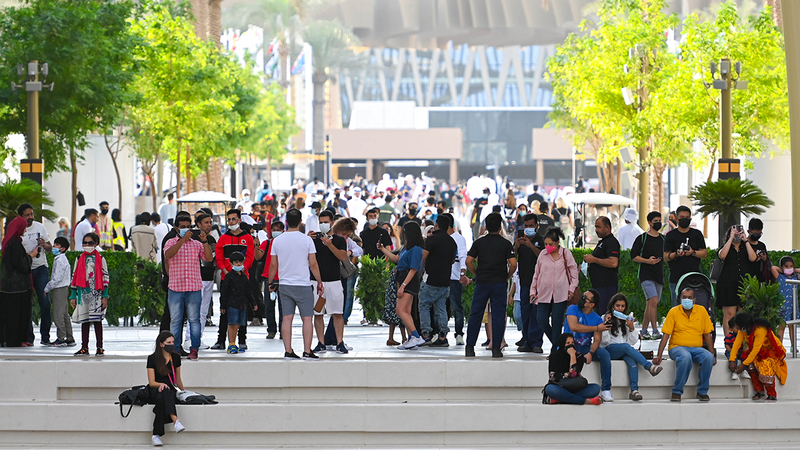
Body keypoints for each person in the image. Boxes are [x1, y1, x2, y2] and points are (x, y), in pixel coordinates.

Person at [268, 208, 325, 360]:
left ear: (286, 222)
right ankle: (307, 350)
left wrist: (271, 281)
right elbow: (313, 263)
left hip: (285, 285)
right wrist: (319, 281)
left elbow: (273, 264)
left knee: (287, 318)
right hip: (303, 284)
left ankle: (288, 350)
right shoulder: (307, 240)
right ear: (300, 222)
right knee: (307, 319)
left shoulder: (277, 240)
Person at [465, 213, 517, 358]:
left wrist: (477, 273)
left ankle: (470, 347)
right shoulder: (506, 243)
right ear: (500, 227)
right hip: (499, 282)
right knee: (498, 315)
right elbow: (513, 264)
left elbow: (469, 261)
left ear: (486, 227)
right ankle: (496, 348)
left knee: (476, 314)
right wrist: (507, 276)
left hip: (482, 282)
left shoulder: (479, 243)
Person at [653, 287, 716, 402]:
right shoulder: (674, 311)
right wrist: (659, 355)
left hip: (697, 348)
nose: (687, 300)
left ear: (694, 299)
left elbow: (707, 335)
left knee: (708, 357)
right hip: (677, 347)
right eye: (684, 297)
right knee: (685, 357)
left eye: (689, 297)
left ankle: (702, 392)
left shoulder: (702, 311)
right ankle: (677, 391)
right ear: (680, 299)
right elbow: (666, 336)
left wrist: (712, 353)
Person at [164, 216, 213, 360]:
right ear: (176, 228)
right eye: (183, 226)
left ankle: (194, 349)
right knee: (176, 320)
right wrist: (183, 240)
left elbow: (209, 259)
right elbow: (168, 255)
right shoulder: (170, 242)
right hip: (176, 286)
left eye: (188, 226)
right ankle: (175, 349)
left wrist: (204, 242)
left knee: (194, 319)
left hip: (193, 287)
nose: (186, 229)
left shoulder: (197, 244)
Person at [600, 294, 663, 401]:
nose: (620, 309)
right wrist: (606, 324)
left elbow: (632, 342)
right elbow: (604, 341)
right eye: (617, 306)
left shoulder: (627, 320)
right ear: (612, 306)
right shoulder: (604, 318)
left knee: (632, 361)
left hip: (624, 350)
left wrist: (632, 328)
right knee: (625, 347)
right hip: (609, 349)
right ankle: (649, 366)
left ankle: (634, 390)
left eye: (622, 306)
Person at [378, 222, 426, 350]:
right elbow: (396, 259)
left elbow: (414, 269)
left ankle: (416, 336)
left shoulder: (416, 249)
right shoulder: (407, 247)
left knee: (400, 310)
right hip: (403, 277)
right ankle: (411, 339)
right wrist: (383, 249)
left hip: (408, 279)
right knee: (406, 311)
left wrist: (403, 286)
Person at [213, 209, 255, 350]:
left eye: (234, 219)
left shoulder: (248, 238)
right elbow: (219, 257)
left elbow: (250, 257)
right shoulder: (223, 239)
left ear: (239, 220)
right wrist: (226, 272)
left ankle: (242, 340)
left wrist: (241, 272)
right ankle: (221, 341)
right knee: (225, 310)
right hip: (227, 279)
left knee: (243, 311)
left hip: (243, 280)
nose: (231, 222)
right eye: (229, 219)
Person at [309, 210, 349, 355]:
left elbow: (343, 257)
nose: (323, 225)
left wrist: (330, 245)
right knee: (318, 313)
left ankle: (340, 342)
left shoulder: (338, 240)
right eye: (321, 222)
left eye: (326, 222)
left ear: (332, 223)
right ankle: (321, 342)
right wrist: (307, 239)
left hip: (334, 282)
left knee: (337, 313)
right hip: (317, 284)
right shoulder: (314, 239)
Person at [562, 289, 613, 402]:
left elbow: (597, 340)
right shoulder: (572, 309)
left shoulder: (597, 319)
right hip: (569, 346)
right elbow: (574, 326)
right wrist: (596, 328)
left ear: (592, 305)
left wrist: (590, 353)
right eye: (583, 296)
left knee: (604, 354)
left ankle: (606, 389)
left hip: (585, 347)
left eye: (585, 298)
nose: (582, 298)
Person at [531, 227, 578, 347]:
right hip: (543, 294)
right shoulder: (543, 254)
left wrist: (571, 289)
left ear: (557, 243)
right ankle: (559, 345)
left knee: (557, 323)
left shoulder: (565, 253)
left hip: (561, 294)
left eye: (550, 244)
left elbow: (574, 273)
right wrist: (533, 291)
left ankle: (555, 351)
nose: (547, 246)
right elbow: (536, 274)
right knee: (541, 319)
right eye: (545, 244)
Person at [728, 313, 787, 401]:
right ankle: (759, 391)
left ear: (744, 326)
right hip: (756, 353)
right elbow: (736, 345)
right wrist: (732, 360)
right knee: (751, 367)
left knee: (765, 366)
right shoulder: (743, 330)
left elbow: (756, 349)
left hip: (770, 352)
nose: (737, 328)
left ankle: (772, 394)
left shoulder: (760, 330)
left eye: (738, 326)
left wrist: (743, 364)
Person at [418, 215, 457, 347]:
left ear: (437, 225)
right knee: (441, 309)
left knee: (424, 305)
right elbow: (452, 260)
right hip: (445, 280)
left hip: (430, 279)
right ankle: (442, 336)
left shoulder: (432, 239)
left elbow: (423, 256)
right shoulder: (452, 242)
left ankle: (426, 335)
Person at [18, 203, 53, 345]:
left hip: (41, 268)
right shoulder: (19, 230)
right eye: (27, 215)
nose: (30, 217)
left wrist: (45, 245)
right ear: (21, 216)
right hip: (26, 270)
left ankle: (45, 337)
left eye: (31, 214)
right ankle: (28, 337)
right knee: (28, 304)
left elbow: (50, 249)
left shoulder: (40, 227)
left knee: (45, 302)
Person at [70, 232, 110, 357]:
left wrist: (105, 296)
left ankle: (99, 347)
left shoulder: (101, 259)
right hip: (83, 294)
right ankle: (84, 347)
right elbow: (75, 277)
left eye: (90, 243)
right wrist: (73, 295)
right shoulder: (79, 258)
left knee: (97, 321)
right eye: (85, 242)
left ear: (96, 243)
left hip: (97, 294)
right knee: (85, 320)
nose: (87, 245)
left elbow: (105, 277)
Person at [146, 331, 186, 446]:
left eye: (173, 342)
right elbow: (152, 382)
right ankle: (176, 421)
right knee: (163, 392)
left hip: (170, 391)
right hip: (155, 388)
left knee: (162, 398)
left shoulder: (176, 358)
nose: (171, 344)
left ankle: (156, 435)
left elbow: (178, 380)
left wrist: (183, 393)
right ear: (161, 344)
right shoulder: (152, 358)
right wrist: (160, 384)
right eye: (168, 342)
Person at [717, 224, 757, 336]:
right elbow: (722, 255)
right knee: (729, 314)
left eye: (739, 232)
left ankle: (743, 341)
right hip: (728, 284)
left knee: (744, 315)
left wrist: (746, 240)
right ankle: (729, 342)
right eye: (734, 232)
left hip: (744, 285)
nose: (737, 234)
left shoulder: (746, 247)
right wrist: (730, 238)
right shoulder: (726, 247)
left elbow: (753, 258)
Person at [0, 216, 35, 347]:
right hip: (17, 287)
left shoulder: (9, 241)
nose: (25, 230)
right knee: (16, 316)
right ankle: (15, 340)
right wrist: (31, 255)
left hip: (8, 286)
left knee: (8, 315)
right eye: (24, 227)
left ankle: (9, 339)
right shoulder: (15, 243)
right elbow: (19, 264)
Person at [630, 211, 665, 340]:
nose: (658, 223)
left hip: (658, 275)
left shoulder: (663, 239)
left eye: (659, 220)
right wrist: (647, 261)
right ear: (649, 223)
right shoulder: (642, 238)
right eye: (655, 221)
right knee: (654, 301)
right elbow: (634, 256)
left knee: (651, 303)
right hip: (646, 275)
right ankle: (655, 330)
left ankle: (644, 331)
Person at [663, 205, 707, 306]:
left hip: (694, 279)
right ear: (677, 219)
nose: (685, 220)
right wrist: (676, 254)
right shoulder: (670, 235)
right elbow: (666, 256)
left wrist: (693, 252)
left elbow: (704, 253)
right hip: (676, 278)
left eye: (687, 218)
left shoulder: (697, 234)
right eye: (682, 217)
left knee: (695, 308)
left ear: (690, 219)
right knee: (677, 308)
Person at [515, 213, 546, 353]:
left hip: (539, 284)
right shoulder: (521, 240)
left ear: (536, 226)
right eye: (526, 226)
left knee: (536, 314)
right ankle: (526, 340)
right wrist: (517, 245)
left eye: (531, 226)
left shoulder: (542, 240)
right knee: (525, 313)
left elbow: (543, 257)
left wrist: (530, 245)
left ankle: (536, 342)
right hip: (525, 282)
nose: (528, 228)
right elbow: (512, 256)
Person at [544, 333, 603, 405]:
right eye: (568, 343)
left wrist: (572, 356)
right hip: (560, 387)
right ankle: (585, 401)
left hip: (575, 387)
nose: (570, 345)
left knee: (595, 388)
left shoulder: (579, 356)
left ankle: (561, 399)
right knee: (550, 389)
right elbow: (553, 377)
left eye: (572, 343)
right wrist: (566, 375)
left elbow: (574, 375)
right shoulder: (554, 356)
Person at [220, 252, 257, 354]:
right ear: (231, 263)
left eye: (240, 262)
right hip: (232, 304)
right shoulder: (229, 277)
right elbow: (224, 292)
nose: (238, 264)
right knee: (232, 324)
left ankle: (234, 343)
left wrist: (253, 303)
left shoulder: (244, 277)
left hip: (242, 304)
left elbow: (248, 291)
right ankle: (231, 344)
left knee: (238, 324)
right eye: (236, 262)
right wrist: (223, 305)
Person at [583, 216, 620, 313]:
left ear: (607, 227)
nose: (596, 230)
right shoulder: (603, 242)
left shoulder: (611, 242)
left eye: (599, 227)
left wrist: (594, 259)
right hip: (599, 286)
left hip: (606, 286)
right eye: (595, 227)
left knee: (605, 314)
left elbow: (613, 262)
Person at [43, 237, 75, 347]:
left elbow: (57, 278)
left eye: (56, 245)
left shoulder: (60, 260)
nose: (54, 247)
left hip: (59, 289)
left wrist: (47, 288)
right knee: (65, 315)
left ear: (62, 248)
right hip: (63, 288)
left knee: (58, 315)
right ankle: (69, 337)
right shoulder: (62, 259)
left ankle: (61, 338)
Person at [193, 212, 217, 343]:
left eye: (210, 222)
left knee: (203, 312)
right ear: (199, 224)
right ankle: (189, 338)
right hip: (197, 278)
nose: (209, 225)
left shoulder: (212, 240)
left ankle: (198, 338)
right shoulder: (193, 238)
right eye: (206, 223)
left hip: (209, 277)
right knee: (194, 312)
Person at [445, 213, 469, 345]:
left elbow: (463, 255)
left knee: (457, 307)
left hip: (454, 278)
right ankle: (440, 333)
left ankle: (459, 333)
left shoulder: (459, 239)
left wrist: (462, 272)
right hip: (441, 277)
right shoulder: (440, 238)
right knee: (441, 307)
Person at [260, 221, 286, 339]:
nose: (276, 232)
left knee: (283, 306)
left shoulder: (287, 244)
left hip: (283, 278)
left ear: (283, 231)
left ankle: (282, 330)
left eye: (278, 229)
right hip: (268, 278)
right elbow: (258, 257)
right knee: (269, 306)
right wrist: (256, 245)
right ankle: (271, 330)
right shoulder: (266, 243)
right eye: (274, 229)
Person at [773, 256, 800, 345]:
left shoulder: (795, 278)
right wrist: (782, 270)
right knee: (782, 325)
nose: (789, 268)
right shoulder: (780, 277)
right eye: (786, 266)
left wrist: (794, 270)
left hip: (793, 306)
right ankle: (779, 345)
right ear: (782, 267)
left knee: (793, 325)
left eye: (791, 266)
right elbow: (773, 268)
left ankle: (793, 345)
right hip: (783, 306)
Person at [746, 218, 769, 283]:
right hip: (746, 277)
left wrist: (764, 259)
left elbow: (767, 262)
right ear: (749, 231)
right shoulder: (743, 244)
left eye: (759, 234)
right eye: (755, 234)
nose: (757, 236)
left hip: (759, 278)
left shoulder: (762, 245)